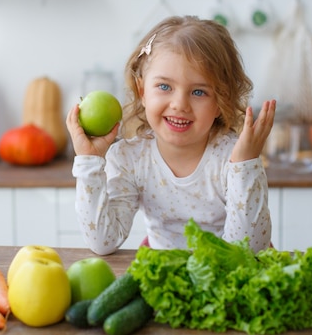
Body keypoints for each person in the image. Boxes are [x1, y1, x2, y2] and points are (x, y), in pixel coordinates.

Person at [65, 15, 276, 255]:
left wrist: (245, 165)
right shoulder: (129, 158)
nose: (179, 104)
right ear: (142, 90)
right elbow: (103, 242)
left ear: (221, 102)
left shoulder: (232, 158)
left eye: (198, 92)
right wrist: (88, 162)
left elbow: (248, 251)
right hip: (167, 273)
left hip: (226, 273)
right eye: (165, 87)